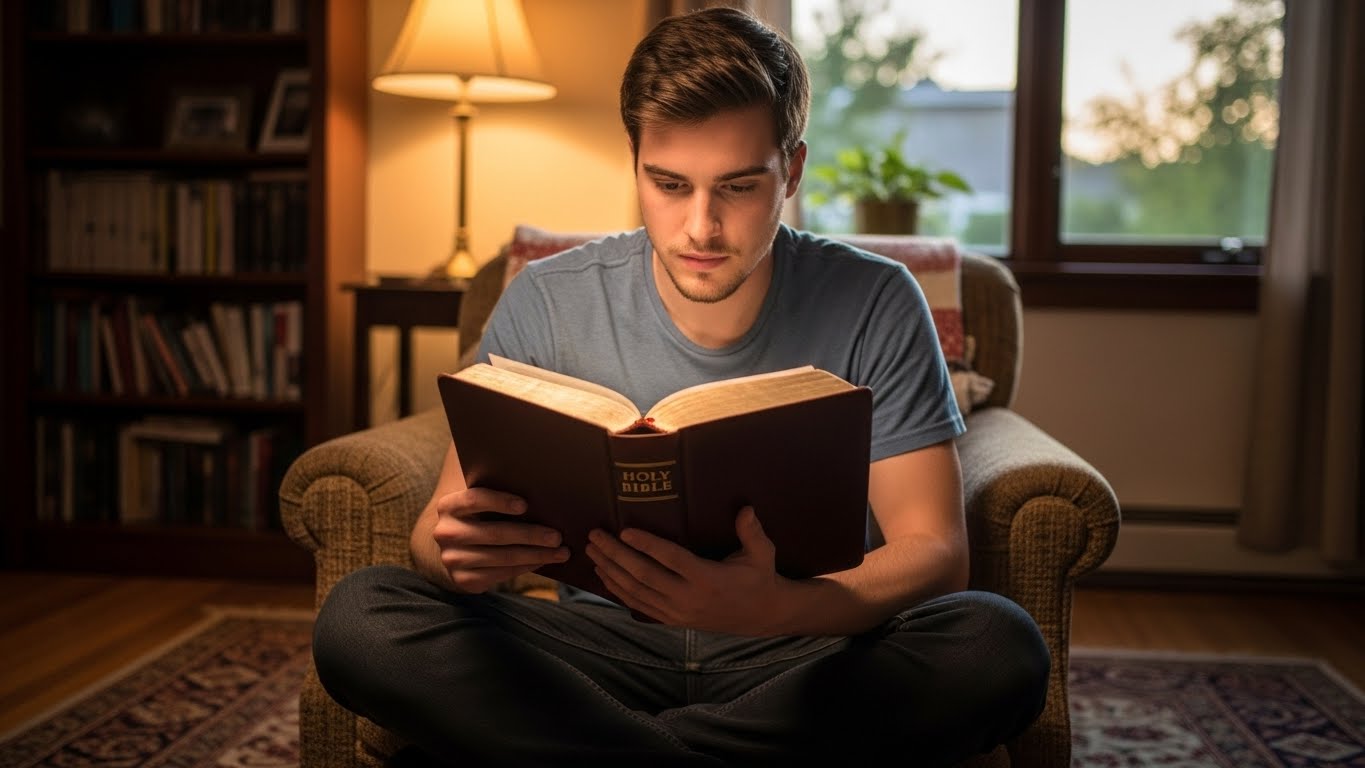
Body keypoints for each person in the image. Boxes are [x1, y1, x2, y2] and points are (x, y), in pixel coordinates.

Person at [313, 8, 1048, 767]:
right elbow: (437, 532)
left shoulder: (877, 299)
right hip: (592, 653)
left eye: (737, 185)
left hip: (799, 652)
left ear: (790, 171)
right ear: (633, 161)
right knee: (361, 617)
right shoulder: (545, 297)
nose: (701, 227)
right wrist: (453, 552)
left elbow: (933, 551)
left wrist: (779, 607)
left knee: (994, 643)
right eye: (668, 184)